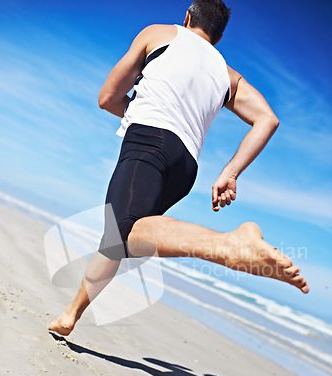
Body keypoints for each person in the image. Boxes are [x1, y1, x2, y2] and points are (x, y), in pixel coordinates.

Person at [48, 0, 309, 336]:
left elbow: (108, 97)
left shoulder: (160, 34)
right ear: (218, 37)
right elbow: (267, 119)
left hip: (149, 142)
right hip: (186, 166)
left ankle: (231, 244)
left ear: (187, 16)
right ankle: (72, 314)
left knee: (127, 231)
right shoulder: (229, 75)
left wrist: (139, 108)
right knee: (117, 241)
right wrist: (230, 173)